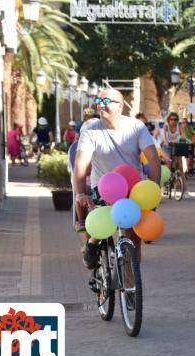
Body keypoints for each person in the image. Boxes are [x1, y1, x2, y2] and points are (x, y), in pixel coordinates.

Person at [74, 88, 161, 269]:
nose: (100, 105)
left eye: (106, 102)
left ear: (120, 106)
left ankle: (130, 290)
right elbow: (81, 164)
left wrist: (155, 188)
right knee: (109, 219)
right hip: (104, 187)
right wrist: (81, 192)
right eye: (99, 101)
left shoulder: (136, 127)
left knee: (134, 237)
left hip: (133, 187)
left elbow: (153, 158)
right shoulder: (91, 130)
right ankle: (92, 243)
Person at [162, 112, 190, 198]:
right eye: (171, 119)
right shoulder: (166, 126)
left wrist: (181, 138)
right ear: (168, 120)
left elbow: (183, 135)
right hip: (167, 146)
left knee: (181, 168)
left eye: (175, 119)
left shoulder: (179, 126)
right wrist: (166, 142)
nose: (173, 121)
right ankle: (164, 187)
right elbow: (164, 137)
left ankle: (185, 191)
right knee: (168, 166)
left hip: (177, 146)